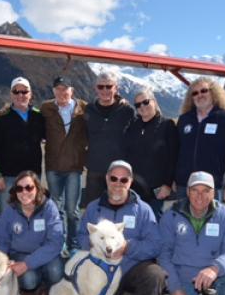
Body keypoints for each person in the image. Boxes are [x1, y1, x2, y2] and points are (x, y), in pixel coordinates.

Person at [77, 160, 166, 295]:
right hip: (103, 271)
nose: (118, 183)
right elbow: (81, 235)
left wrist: (128, 247)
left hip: (131, 266)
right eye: (114, 178)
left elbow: (155, 244)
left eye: (124, 179)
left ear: (130, 182)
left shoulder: (143, 210)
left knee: (154, 273)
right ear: (107, 179)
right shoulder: (94, 208)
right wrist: (96, 248)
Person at [0, 171, 64, 295]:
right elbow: (2, 241)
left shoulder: (49, 207)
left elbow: (56, 242)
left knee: (56, 272)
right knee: (29, 280)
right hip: (20, 254)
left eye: (29, 187)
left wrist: (27, 264)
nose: (24, 192)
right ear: (15, 192)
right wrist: (1, 264)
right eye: (19, 188)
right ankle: (27, 287)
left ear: (37, 188)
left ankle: (46, 288)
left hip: (45, 254)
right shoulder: (10, 211)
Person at [175, 77, 225, 203]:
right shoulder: (184, 119)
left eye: (204, 91)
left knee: (210, 222)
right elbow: (175, 151)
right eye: (195, 93)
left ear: (213, 92)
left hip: (211, 186)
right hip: (184, 185)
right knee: (182, 221)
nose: (199, 95)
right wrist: (172, 179)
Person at [40, 76, 88, 257]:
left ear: (72, 90)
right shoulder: (46, 108)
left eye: (65, 89)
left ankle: (73, 243)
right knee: (56, 209)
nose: (62, 92)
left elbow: (102, 112)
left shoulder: (83, 109)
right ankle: (59, 243)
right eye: (58, 89)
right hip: (53, 166)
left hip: (74, 167)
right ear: (53, 91)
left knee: (72, 210)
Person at [123, 86, 178, 219]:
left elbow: (173, 158)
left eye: (146, 102)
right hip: (134, 187)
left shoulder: (167, 125)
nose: (142, 106)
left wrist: (167, 185)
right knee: (133, 221)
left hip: (156, 188)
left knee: (153, 222)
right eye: (138, 104)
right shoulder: (133, 126)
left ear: (154, 102)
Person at [0, 77, 45, 213]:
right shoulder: (2, 119)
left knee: (31, 212)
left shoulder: (38, 116)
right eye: (16, 92)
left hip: (33, 175)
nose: (20, 95)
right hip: (8, 176)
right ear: (11, 94)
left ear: (30, 94)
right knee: (7, 213)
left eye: (24, 91)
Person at [83, 71, 134, 206]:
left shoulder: (127, 111)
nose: (104, 90)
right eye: (101, 87)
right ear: (95, 88)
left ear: (116, 88)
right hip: (95, 169)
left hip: (118, 173)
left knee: (119, 207)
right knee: (93, 208)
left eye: (109, 86)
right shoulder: (88, 109)